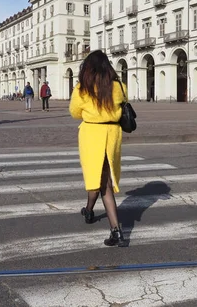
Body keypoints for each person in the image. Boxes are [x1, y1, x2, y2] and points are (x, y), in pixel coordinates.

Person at [69, 50, 128, 247]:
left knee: (101, 183)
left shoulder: (83, 88)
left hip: (92, 135)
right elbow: (123, 106)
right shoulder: (119, 86)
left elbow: (75, 112)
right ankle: (88, 211)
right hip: (112, 135)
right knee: (100, 179)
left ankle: (116, 230)